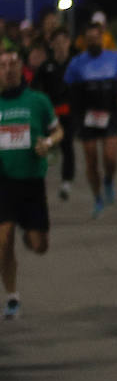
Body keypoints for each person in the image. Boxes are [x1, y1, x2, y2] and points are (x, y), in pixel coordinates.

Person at [0, 50, 62, 319]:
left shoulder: (38, 100)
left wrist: (47, 143)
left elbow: (58, 131)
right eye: (2, 65)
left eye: (13, 64)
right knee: (3, 241)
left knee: (39, 246)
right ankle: (12, 297)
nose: (8, 69)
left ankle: (29, 231)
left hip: (32, 183)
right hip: (3, 182)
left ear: (21, 69)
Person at [64, 23, 117, 217]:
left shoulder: (114, 58)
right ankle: (97, 198)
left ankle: (109, 179)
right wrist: (74, 118)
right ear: (85, 41)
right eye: (89, 38)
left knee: (110, 157)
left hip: (109, 114)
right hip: (87, 116)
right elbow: (71, 91)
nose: (93, 41)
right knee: (91, 160)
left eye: (96, 37)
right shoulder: (77, 63)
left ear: (102, 38)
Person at [29, 28, 75, 200]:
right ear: (52, 44)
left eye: (64, 41)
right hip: (50, 114)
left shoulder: (75, 64)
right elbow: (34, 88)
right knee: (46, 146)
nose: (60, 45)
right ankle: (41, 173)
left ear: (68, 42)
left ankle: (66, 181)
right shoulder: (46, 66)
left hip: (69, 113)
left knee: (68, 145)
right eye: (57, 41)